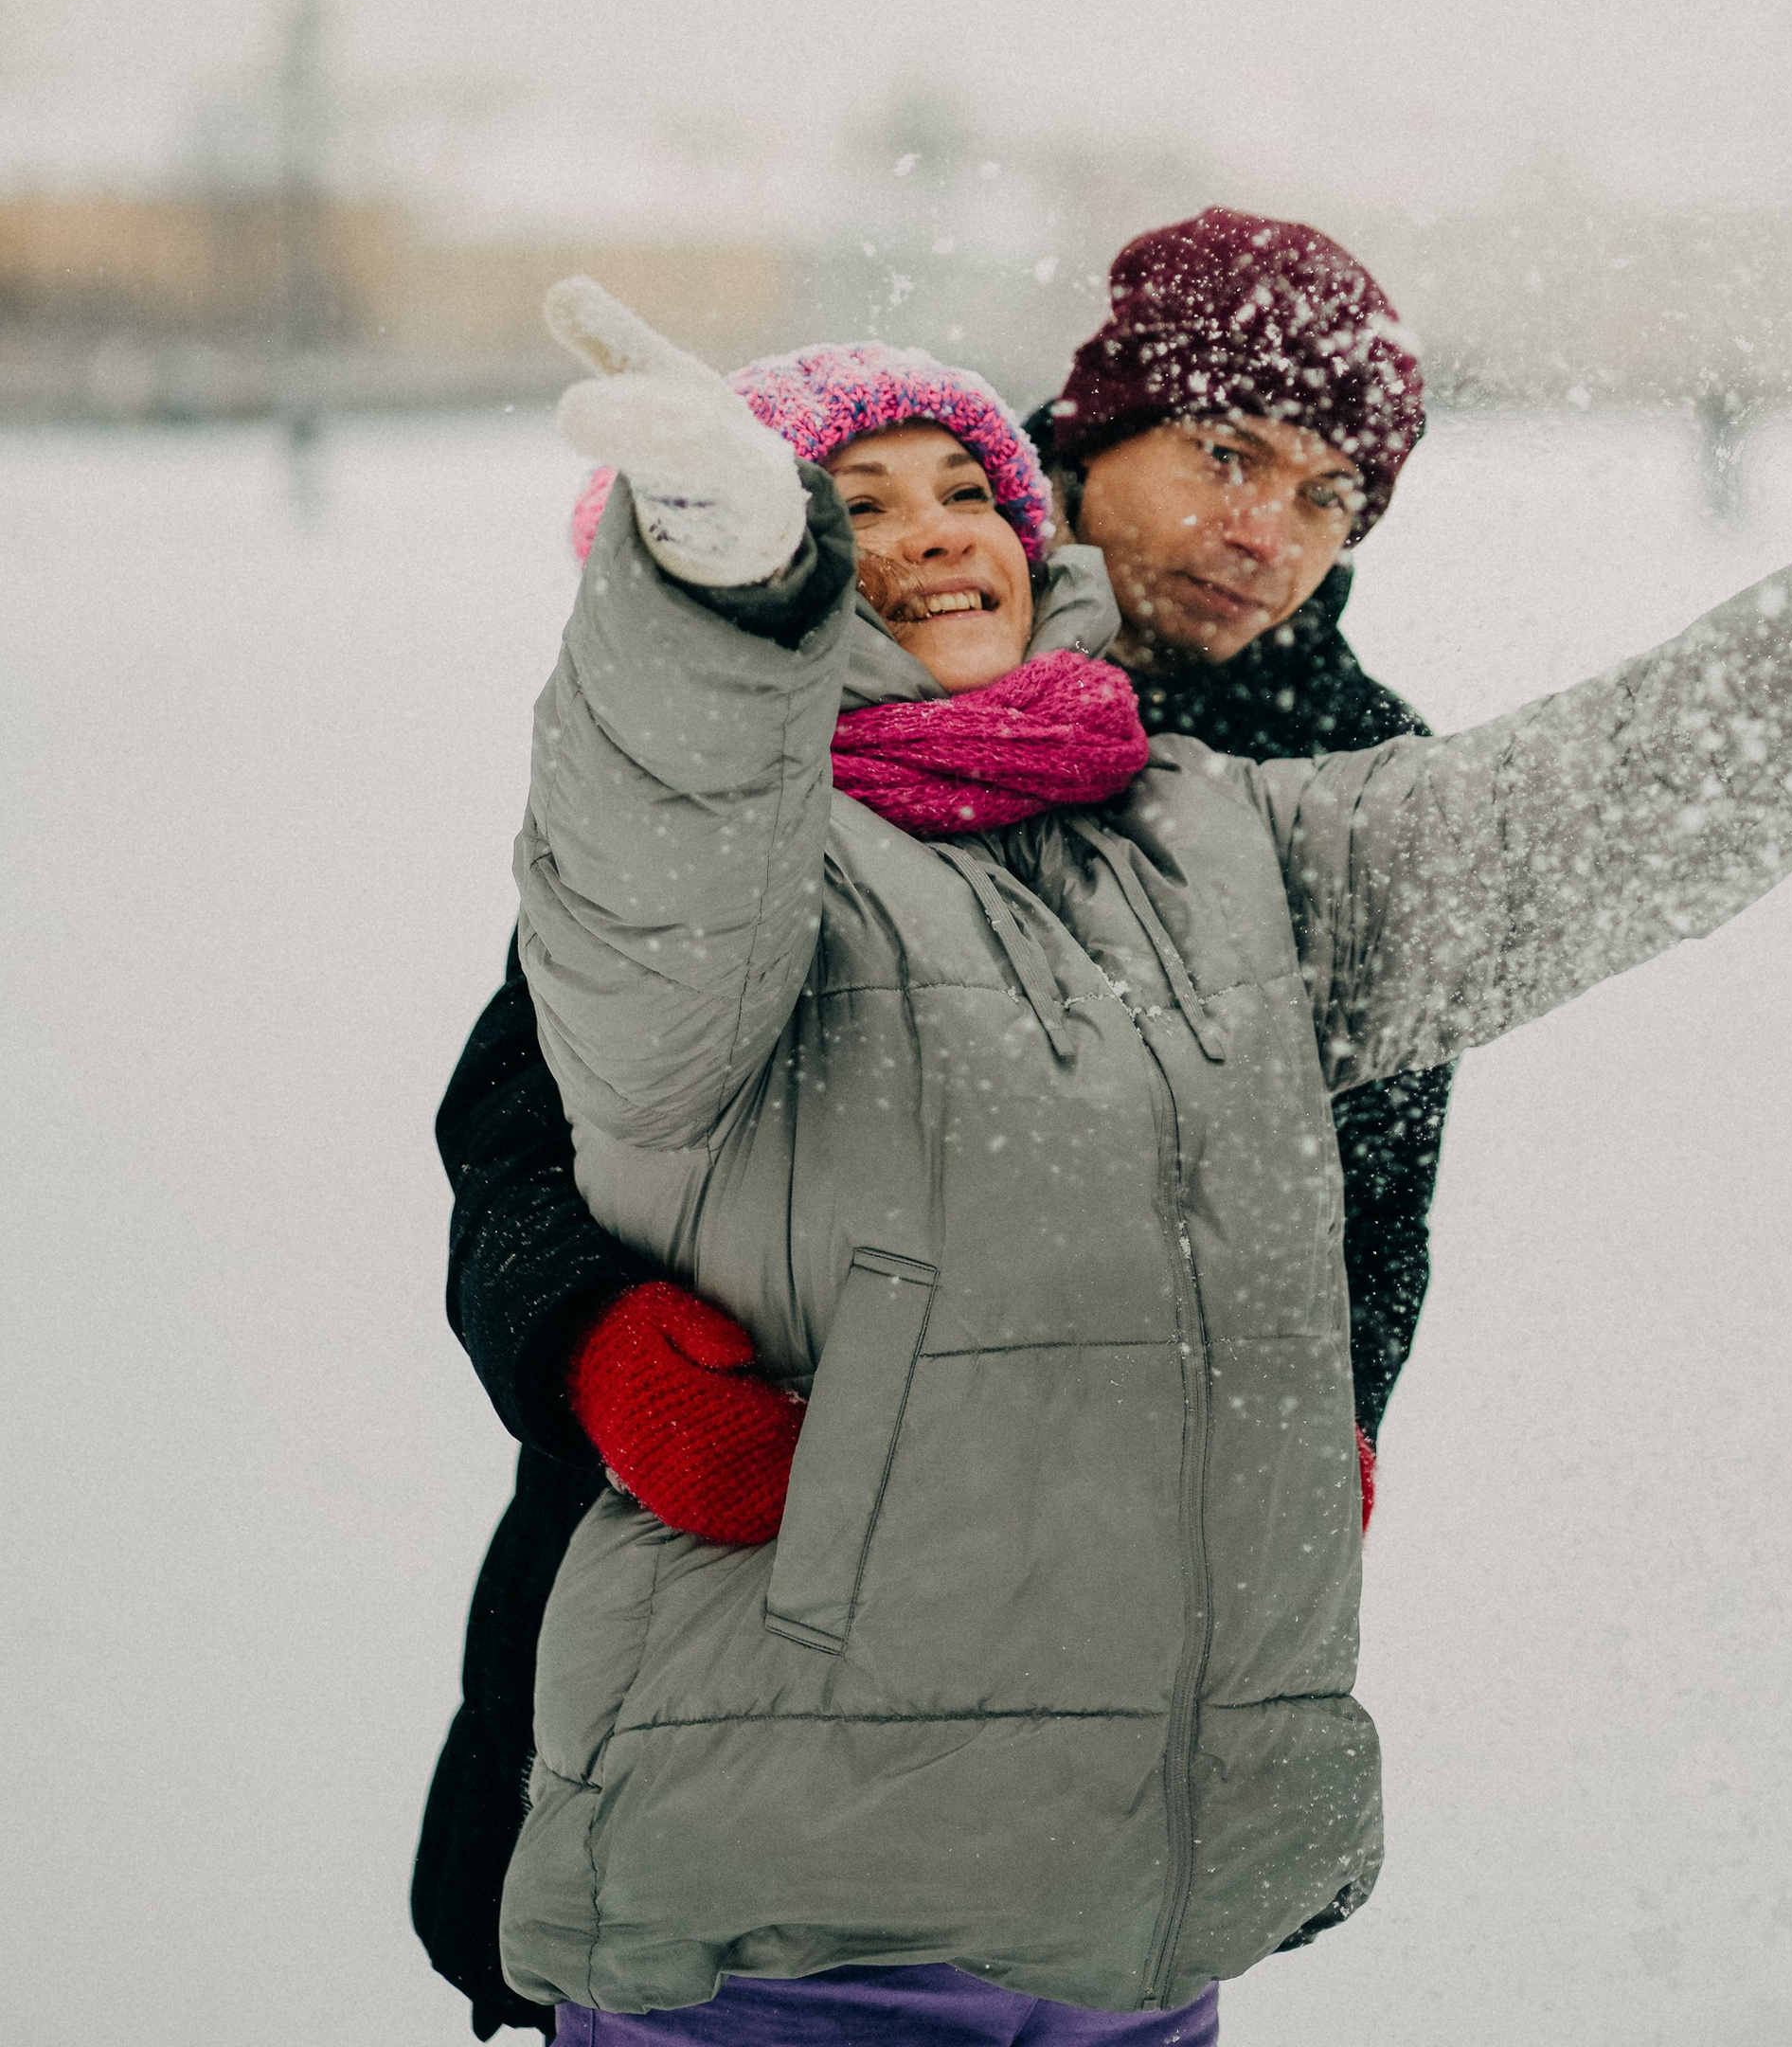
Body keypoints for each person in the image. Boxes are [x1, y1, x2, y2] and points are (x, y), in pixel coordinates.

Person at [486, 273, 1792, 2038]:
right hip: (802, 1918)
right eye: (852, 507)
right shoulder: (737, 893)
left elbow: (1559, 820)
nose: (936, 531)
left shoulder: (1201, 832)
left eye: (967, 491)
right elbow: (654, 833)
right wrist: (719, 588)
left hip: (1137, 1907)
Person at [416, 215, 1452, 2040]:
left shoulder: (1341, 774)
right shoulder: (824, 662)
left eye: (1330, 492)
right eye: (1226, 455)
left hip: (1110, 1676)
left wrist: (1328, 1418)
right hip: (753, 1600)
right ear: (1082, 441)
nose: (1263, 531)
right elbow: (535, 1103)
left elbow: (1363, 1187)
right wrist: (587, 1334)